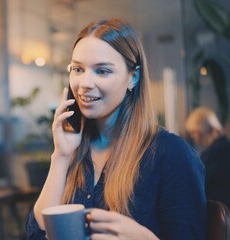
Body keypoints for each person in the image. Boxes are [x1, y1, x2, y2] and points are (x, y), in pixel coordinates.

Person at [26, 18, 206, 239]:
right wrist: (61, 157)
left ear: (134, 77)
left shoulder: (171, 153)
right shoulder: (74, 149)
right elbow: (38, 233)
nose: (85, 83)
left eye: (102, 71)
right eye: (77, 69)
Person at [185, 107, 230, 208]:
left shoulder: (214, 153)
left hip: (221, 215)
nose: (194, 138)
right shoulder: (225, 145)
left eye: (193, 133)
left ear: (198, 133)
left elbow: (198, 186)